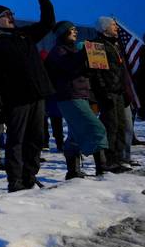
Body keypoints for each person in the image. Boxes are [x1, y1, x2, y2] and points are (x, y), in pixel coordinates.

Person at [0, 0, 55, 192]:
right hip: (15, 98)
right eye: (6, 15)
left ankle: (29, 177)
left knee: (37, 139)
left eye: (11, 14)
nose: (11, 17)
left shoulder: (24, 35)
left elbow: (48, 23)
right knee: (16, 140)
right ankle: (15, 182)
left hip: (37, 94)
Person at [43, 21, 114, 178]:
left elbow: (79, 70)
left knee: (75, 134)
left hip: (79, 94)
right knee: (97, 128)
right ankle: (102, 166)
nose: (75, 32)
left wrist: (91, 63)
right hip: (69, 96)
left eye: (76, 29)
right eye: (71, 30)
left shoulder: (71, 50)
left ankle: (73, 171)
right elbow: (69, 67)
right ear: (63, 33)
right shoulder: (58, 51)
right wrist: (85, 53)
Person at [89, 16, 138, 167]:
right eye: (113, 24)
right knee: (111, 126)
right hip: (108, 93)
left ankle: (120, 157)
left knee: (122, 126)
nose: (116, 27)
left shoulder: (115, 44)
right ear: (104, 28)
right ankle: (110, 160)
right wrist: (104, 92)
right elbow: (96, 72)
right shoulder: (97, 45)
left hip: (119, 92)